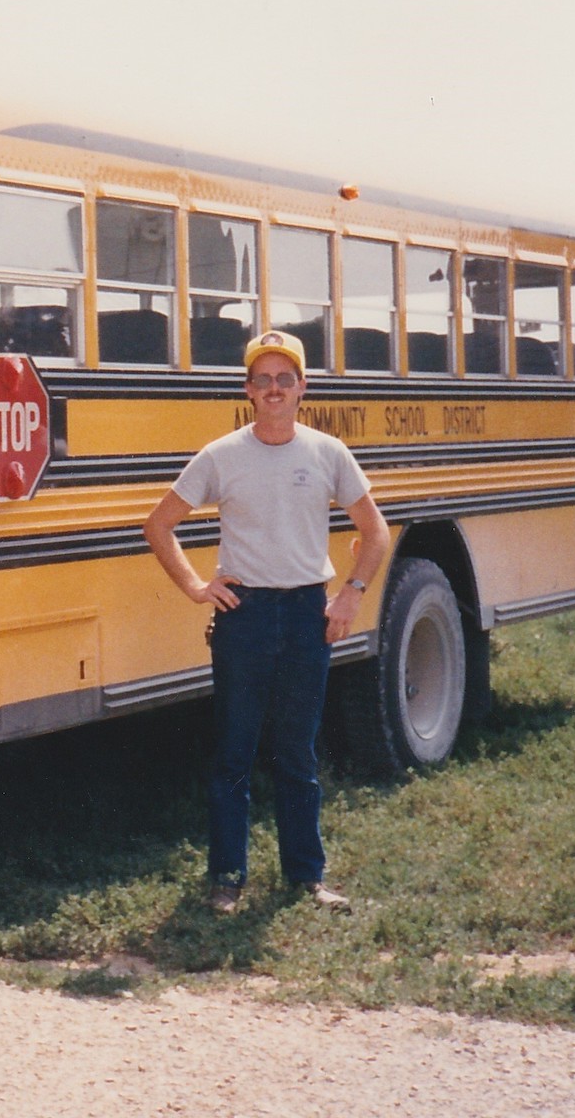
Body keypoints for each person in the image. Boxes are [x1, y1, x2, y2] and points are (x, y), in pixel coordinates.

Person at [142, 330, 390, 914]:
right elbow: (159, 525)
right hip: (244, 616)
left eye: (286, 378)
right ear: (248, 389)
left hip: (308, 613)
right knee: (235, 751)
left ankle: (307, 878)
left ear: (302, 387)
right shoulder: (221, 455)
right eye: (263, 379)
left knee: (298, 753)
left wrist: (352, 594)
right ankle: (227, 878)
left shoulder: (329, 453)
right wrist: (198, 587)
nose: (274, 389)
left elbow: (375, 532)